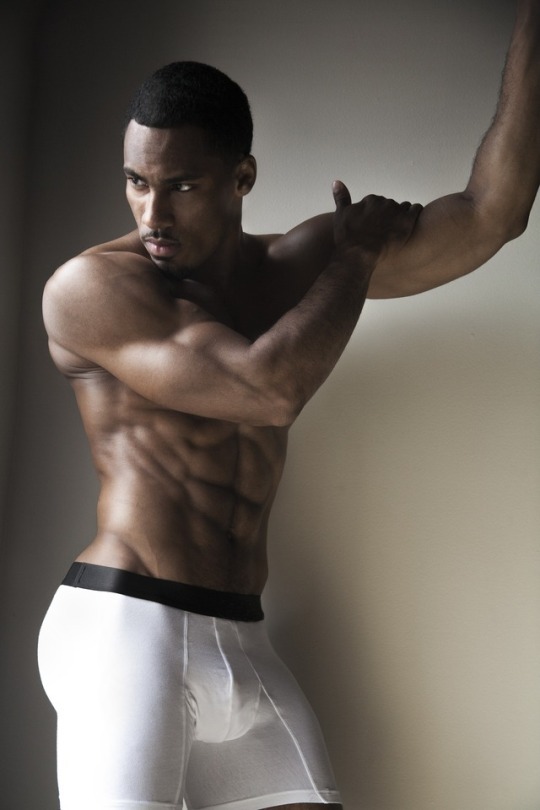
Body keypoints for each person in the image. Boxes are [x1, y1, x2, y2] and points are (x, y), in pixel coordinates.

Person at [38, 2, 539, 809]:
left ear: (242, 178)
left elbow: (492, 216)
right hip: (126, 631)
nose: (153, 214)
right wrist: (355, 258)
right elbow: (263, 392)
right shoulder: (90, 288)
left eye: (182, 185)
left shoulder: (292, 268)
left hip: (244, 632)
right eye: (136, 182)